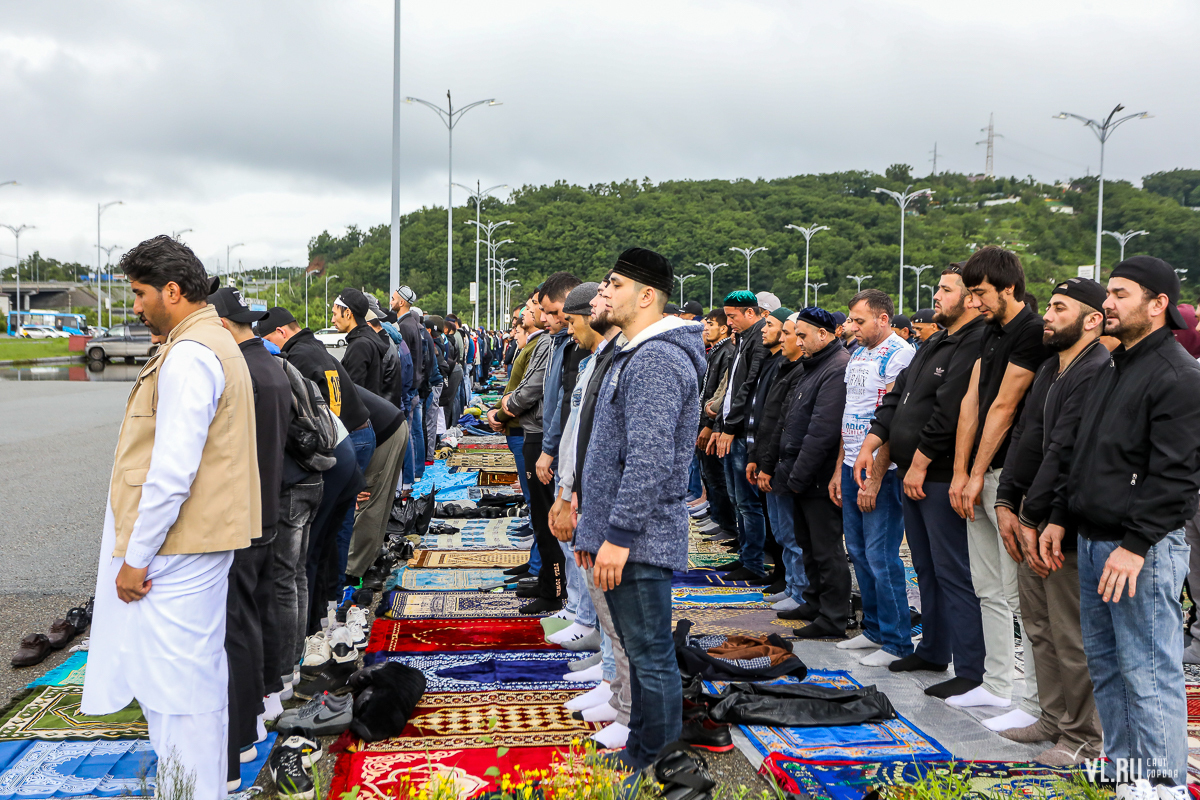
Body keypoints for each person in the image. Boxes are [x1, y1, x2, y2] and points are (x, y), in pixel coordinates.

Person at [83, 236, 259, 800]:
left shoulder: (190, 354)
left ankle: (191, 790)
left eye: (138, 294)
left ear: (172, 290)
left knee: (175, 687)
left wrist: (135, 559)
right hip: (193, 542)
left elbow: (171, 472)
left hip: (175, 548)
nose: (134, 306)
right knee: (189, 678)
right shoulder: (207, 341)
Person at [1042, 257, 1200, 789]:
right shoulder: (1115, 365)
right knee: (1108, 669)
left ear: (1159, 305)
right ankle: (1127, 774)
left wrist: (1134, 546)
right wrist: (1060, 518)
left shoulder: (1178, 376)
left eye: (1121, 293)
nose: (1108, 303)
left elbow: (1176, 478)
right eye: (1108, 293)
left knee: (1149, 675)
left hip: (1141, 553)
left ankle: (1162, 785)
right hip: (1093, 542)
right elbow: (1084, 454)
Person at [574, 247, 706, 773]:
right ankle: (642, 750)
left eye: (614, 285)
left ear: (646, 296)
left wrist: (619, 535)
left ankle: (659, 762)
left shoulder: (655, 358)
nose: (602, 294)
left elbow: (649, 460)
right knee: (637, 646)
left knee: (651, 655)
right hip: (623, 534)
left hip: (639, 539)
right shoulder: (634, 352)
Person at [991, 277, 1109, 765]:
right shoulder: (1050, 368)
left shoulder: (1096, 371)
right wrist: (1005, 503)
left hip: (1058, 524)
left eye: (1060, 308)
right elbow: (1024, 440)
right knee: (1037, 626)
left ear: (1092, 319)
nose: (1049, 316)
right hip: (1028, 515)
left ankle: (1084, 737)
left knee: (1069, 633)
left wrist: (1035, 516)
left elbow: (1067, 455)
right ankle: (1053, 719)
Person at [855, 265, 987, 698]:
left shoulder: (973, 344)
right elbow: (897, 398)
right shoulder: (934, 342)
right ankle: (933, 648)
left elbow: (948, 412)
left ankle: (971, 668)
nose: (937, 297)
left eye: (946, 290)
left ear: (970, 298)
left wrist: (920, 463)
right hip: (912, 471)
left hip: (938, 473)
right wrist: (870, 444)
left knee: (953, 571)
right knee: (925, 567)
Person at [949, 246, 1049, 721]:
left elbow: (1004, 408)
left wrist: (977, 474)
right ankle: (996, 684)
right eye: (969, 293)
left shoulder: (1031, 332)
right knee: (986, 586)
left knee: (1016, 594)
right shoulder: (989, 332)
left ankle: (1030, 699)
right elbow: (971, 403)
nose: (974, 303)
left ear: (1008, 288)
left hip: (1010, 477)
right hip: (978, 475)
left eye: (981, 293)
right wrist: (961, 471)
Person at [207, 287, 291, 786]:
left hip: (244, 512)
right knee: (255, 610)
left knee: (236, 624)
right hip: (265, 507)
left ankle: (237, 742)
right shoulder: (269, 366)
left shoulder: (240, 372)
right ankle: (259, 712)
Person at [551, 279, 633, 750]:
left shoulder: (633, 359)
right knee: (607, 606)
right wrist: (566, 488)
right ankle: (612, 683)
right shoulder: (597, 359)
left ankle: (627, 700)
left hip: (604, 502)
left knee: (623, 613)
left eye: (609, 293)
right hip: (585, 492)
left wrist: (576, 493)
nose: (601, 302)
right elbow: (575, 432)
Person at [256, 309, 366, 633]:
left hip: (329, 457)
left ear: (277, 333)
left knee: (300, 562)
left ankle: (308, 636)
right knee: (320, 548)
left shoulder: (287, 360)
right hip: (343, 450)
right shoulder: (313, 348)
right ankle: (323, 619)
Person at [833, 289, 915, 666]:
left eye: (859, 320)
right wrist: (840, 469)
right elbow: (850, 414)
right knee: (860, 553)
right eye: (851, 320)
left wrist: (877, 477)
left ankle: (898, 641)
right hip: (852, 464)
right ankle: (875, 630)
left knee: (882, 557)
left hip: (881, 470)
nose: (852, 327)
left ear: (883, 319)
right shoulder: (858, 353)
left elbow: (895, 421)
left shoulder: (901, 355)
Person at [776, 307, 851, 639]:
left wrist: (798, 476)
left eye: (803, 336)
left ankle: (833, 617)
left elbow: (822, 430)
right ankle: (814, 601)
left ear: (825, 334)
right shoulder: (814, 365)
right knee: (808, 545)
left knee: (826, 550)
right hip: (803, 474)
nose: (798, 342)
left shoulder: (836, 367)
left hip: (817, 478)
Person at [490, 293, 560, 613]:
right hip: (529, 429)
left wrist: (505, 411)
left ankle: (546, 577)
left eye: (540, 310)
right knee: (538, 507)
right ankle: (541, 570)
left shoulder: (547, 343)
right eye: (537, 310)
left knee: (544, 508)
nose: (537, 316)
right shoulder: (548, 342)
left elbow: (531, 390)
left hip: (534, 431)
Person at [708, 290, 772, 582]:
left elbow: (748, 387)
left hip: (744, 433)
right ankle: (745, 557)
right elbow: (730, 387)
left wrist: (730, 427)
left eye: (733, 316)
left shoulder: (758, 339)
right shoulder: (744, 339)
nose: (729, 322)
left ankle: (755, 563)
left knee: (748, 502)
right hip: (732, 427)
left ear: (751, 313)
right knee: (737, 499)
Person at [750, 313, 807, 613]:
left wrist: (770, 463)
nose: (781, 338)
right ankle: (792, 586)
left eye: (786, 332)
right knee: (783, 532)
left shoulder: (801, 370)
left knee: (791, 535)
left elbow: (790, 424)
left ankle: (799, 591)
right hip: (771, 458)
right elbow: (768, 419)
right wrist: (758, 458)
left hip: (786, 464)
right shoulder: (782, 366)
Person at [696, 310, 737, 540]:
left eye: (710, 324)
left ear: (723, 328)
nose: (706, 328)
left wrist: (710, 423)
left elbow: (722, 394)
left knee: (718, 476)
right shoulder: (717, 351)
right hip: (708, 419)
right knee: (709, 474)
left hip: (714, 423)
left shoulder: (727, 352)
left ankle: (728, 526)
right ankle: (718, 518)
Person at [334, 288, 387, 398]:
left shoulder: (360, 345)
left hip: (364, 412)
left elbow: (354, 392)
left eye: (335, 314)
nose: (332, 320)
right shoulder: (368, 337)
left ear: (348, 313)